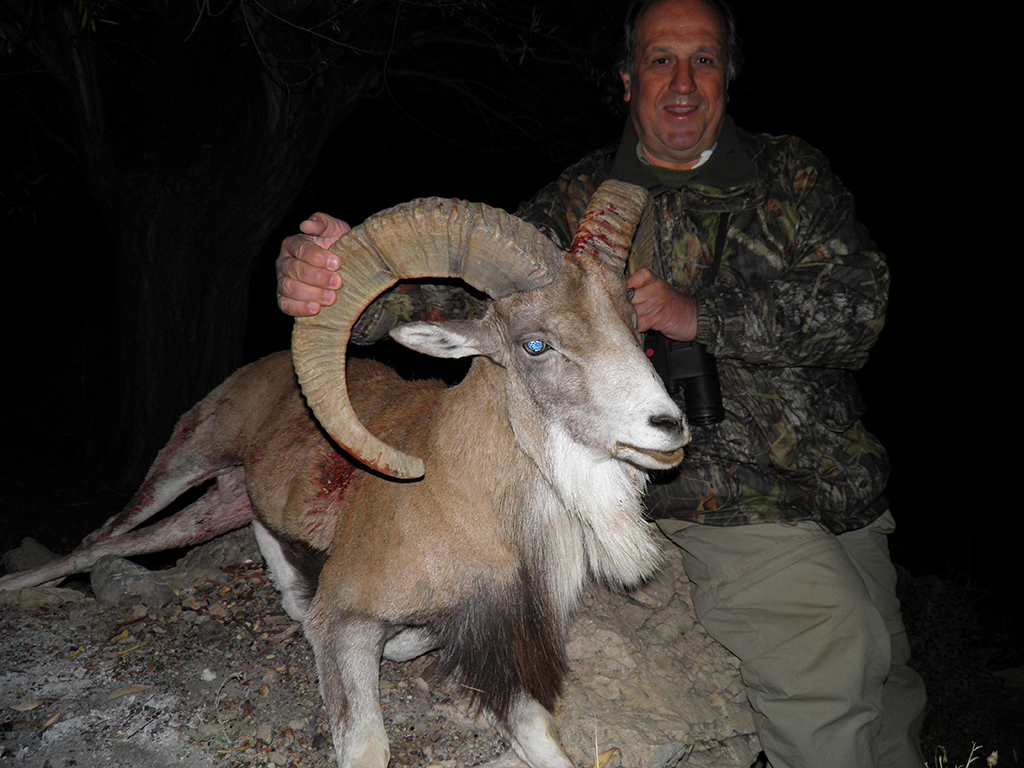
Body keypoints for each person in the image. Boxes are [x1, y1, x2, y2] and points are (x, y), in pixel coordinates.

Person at [275, 1, 927, 766]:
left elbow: (859, 311)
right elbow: (483, 305)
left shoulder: (794, 174)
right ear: (627, 80)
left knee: (888, 680)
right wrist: (345, 284)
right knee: (829, 645)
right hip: (720, 491)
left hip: (842, 487)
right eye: (659, 60)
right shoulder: (578, 207)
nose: (682, 82)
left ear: (728, 74)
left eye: (704, 59)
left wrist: (696, 314)